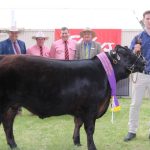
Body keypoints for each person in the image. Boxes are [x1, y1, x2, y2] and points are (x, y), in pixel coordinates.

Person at [124, 10, 150, 141]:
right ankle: (132, 131)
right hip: (140, 75)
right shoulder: (138, 37)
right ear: (143, 20)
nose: (149, 20)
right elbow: (130, 55)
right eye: (148, 18)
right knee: (135, 104)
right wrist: (135, 50)